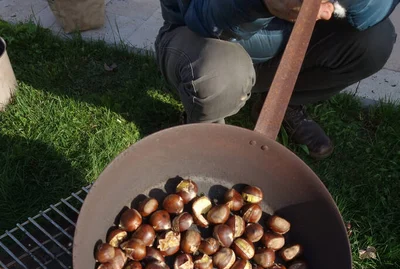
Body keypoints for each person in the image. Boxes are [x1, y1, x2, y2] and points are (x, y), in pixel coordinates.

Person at [155, 1, 398, 159]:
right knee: (219, 73)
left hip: (286, 44)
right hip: (201, 38)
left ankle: (284, 104)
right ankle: (208, 135)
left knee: (375, 42)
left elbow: (377, 8)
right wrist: (260, 3)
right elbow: (202, 17)